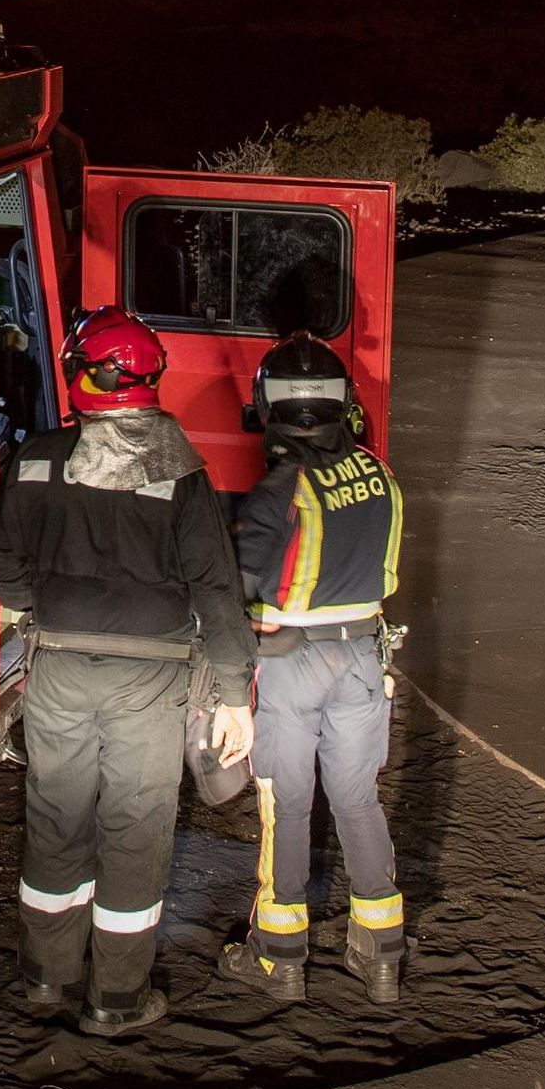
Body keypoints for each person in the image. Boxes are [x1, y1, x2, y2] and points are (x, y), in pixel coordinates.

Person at [0, 307, 255, 1038]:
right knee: (135, 827)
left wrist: (36, 606)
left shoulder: (36, 459)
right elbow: (217, 592)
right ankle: (117, 999)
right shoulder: (180, 474)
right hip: (151, 683)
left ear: (83, 376)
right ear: (148, 381)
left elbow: (2, 566)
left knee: (55, 816)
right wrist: (234, 695)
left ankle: (45, 978)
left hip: (59, 671)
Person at [220, 335, 407, 1006]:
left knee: (289, 805)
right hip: (363, 657)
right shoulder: (379, 475)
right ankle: (380, 955)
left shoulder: (280, 489)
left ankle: (280, 961)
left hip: (292, 663)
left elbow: (239, 588)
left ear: (267, 408)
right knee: (358, 801)